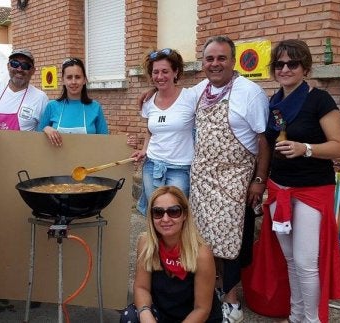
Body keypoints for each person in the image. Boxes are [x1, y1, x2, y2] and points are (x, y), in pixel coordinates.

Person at [263, 39, 340, 323]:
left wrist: (306, 148)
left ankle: (311, 320)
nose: (285, 69)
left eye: (292, 63)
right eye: (279, 64)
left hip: (311, 190)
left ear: (305, 67)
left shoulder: (319, 99)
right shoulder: (274, 102)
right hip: (279, 189)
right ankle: (296, 316)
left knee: (306, 262)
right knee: (290, 259)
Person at [189, 36, 270, 323]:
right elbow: (171, 96)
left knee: (230, 244)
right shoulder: (200, 90)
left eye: (221, 58)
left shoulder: (250, 92)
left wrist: (259, 180)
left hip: (235, 180)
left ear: (233, 61)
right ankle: (207, 294)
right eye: (209, 59)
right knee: (203, 241)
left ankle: (231, 300)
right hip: (202, 180)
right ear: (203, 63)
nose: (215, 64)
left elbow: (263, 141)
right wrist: (152, 89)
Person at [120, 186, 222, 323]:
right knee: (130, 316)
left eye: (174, 212)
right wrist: (145, 313)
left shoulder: (201, 253)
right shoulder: (146, 243)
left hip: (196, 319)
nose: (165, 219)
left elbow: (202, 309)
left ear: (185, 214)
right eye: (158, 212)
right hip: (161, 313)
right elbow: (141, 287)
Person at [131, 49, 195, 215]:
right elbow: (150, 132)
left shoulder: (191, 97)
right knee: (155, 215)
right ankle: (154, 242)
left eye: (165, 71)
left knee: (175, 215)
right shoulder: (148, 102)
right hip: (152, 166)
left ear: (176, 72)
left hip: (180, 168)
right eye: (156, 72)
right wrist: (145, 150)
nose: (160, 76)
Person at [38, 57, 108, 146]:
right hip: (57, 159)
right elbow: (38, 139)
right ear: (63, 80)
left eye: (78, 77)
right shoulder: (52, 106)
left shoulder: (95, 107)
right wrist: (46, 128)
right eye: (69, 77)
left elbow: (105, 142)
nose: (73, 81)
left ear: (84, 80)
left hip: (89, 159)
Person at [0, 49, 48, 131]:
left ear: (33, 71)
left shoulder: (40, 98)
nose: (19, 69)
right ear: (8, 66)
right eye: (14, 64)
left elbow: (44, 130)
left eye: (25, 66)